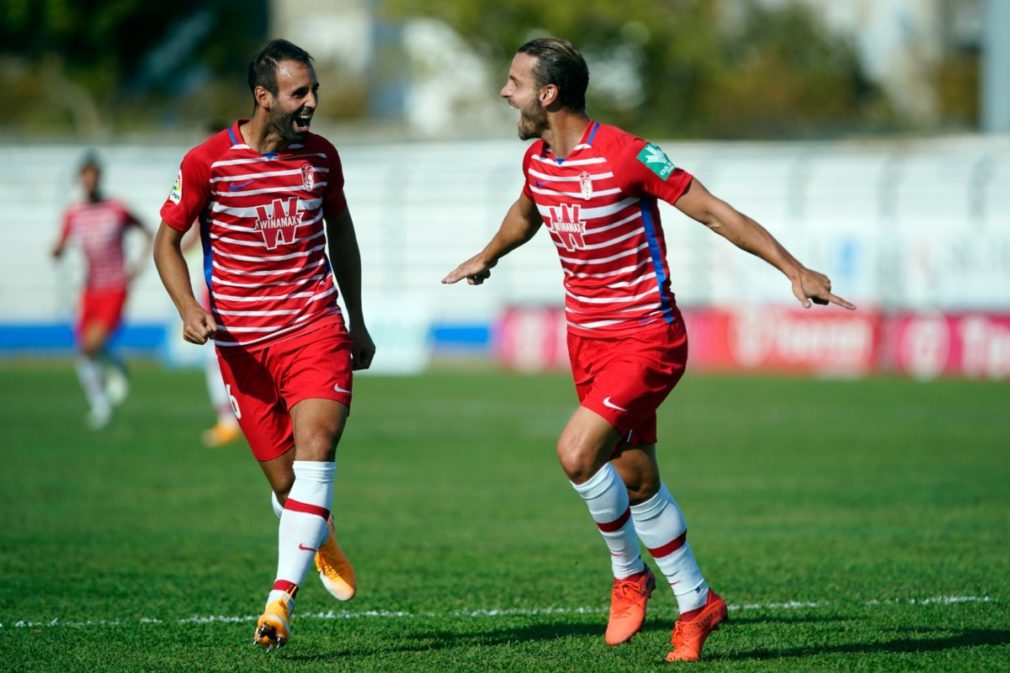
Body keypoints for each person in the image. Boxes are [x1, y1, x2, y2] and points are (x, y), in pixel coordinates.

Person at [443, 37, 855, 663]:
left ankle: (627, 574)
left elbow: (714, 212)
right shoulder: (537, 160)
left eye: (515, 82)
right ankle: (697, 603)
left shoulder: (630, 156)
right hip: (585, 339)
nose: (506, 92)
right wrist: (488, 255)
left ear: (548, 95)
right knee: (636, 478)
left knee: (577, 455)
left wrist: (793, 269)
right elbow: (526, 213)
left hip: (647, 337)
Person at [153, 39, 375, 651]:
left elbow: (343, 236)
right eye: (299, 93)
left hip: (315, 329)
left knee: (318, 449)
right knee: (286, 486)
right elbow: (165, 242)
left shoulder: (322, 158)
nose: (311, 103)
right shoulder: (207, 162)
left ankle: (278, 601)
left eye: (314, 90)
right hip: (242, 347)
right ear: (263, 96)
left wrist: (355, 320)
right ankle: (318, 533)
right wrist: (188, 308)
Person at [52, 152, 152, 429]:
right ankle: (106, 389)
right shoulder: (74, 213)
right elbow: (60, 243)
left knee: (88, 347)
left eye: (94, 175)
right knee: (84, 352)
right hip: (89, 289)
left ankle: (103, 404)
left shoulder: (116, 209)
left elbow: (148, 230)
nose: (90, 181)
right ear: (80, 180)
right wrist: (57, 251)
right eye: (85, 176)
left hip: (115, 287)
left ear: (100, 178)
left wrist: (137, 265)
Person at [181, 226, 242, 448]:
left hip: (229, 285)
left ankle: (228, 421)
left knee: (216, 357)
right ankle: (228, 420)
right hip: (219, 282)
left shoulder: (216, 195)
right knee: (216, 358)